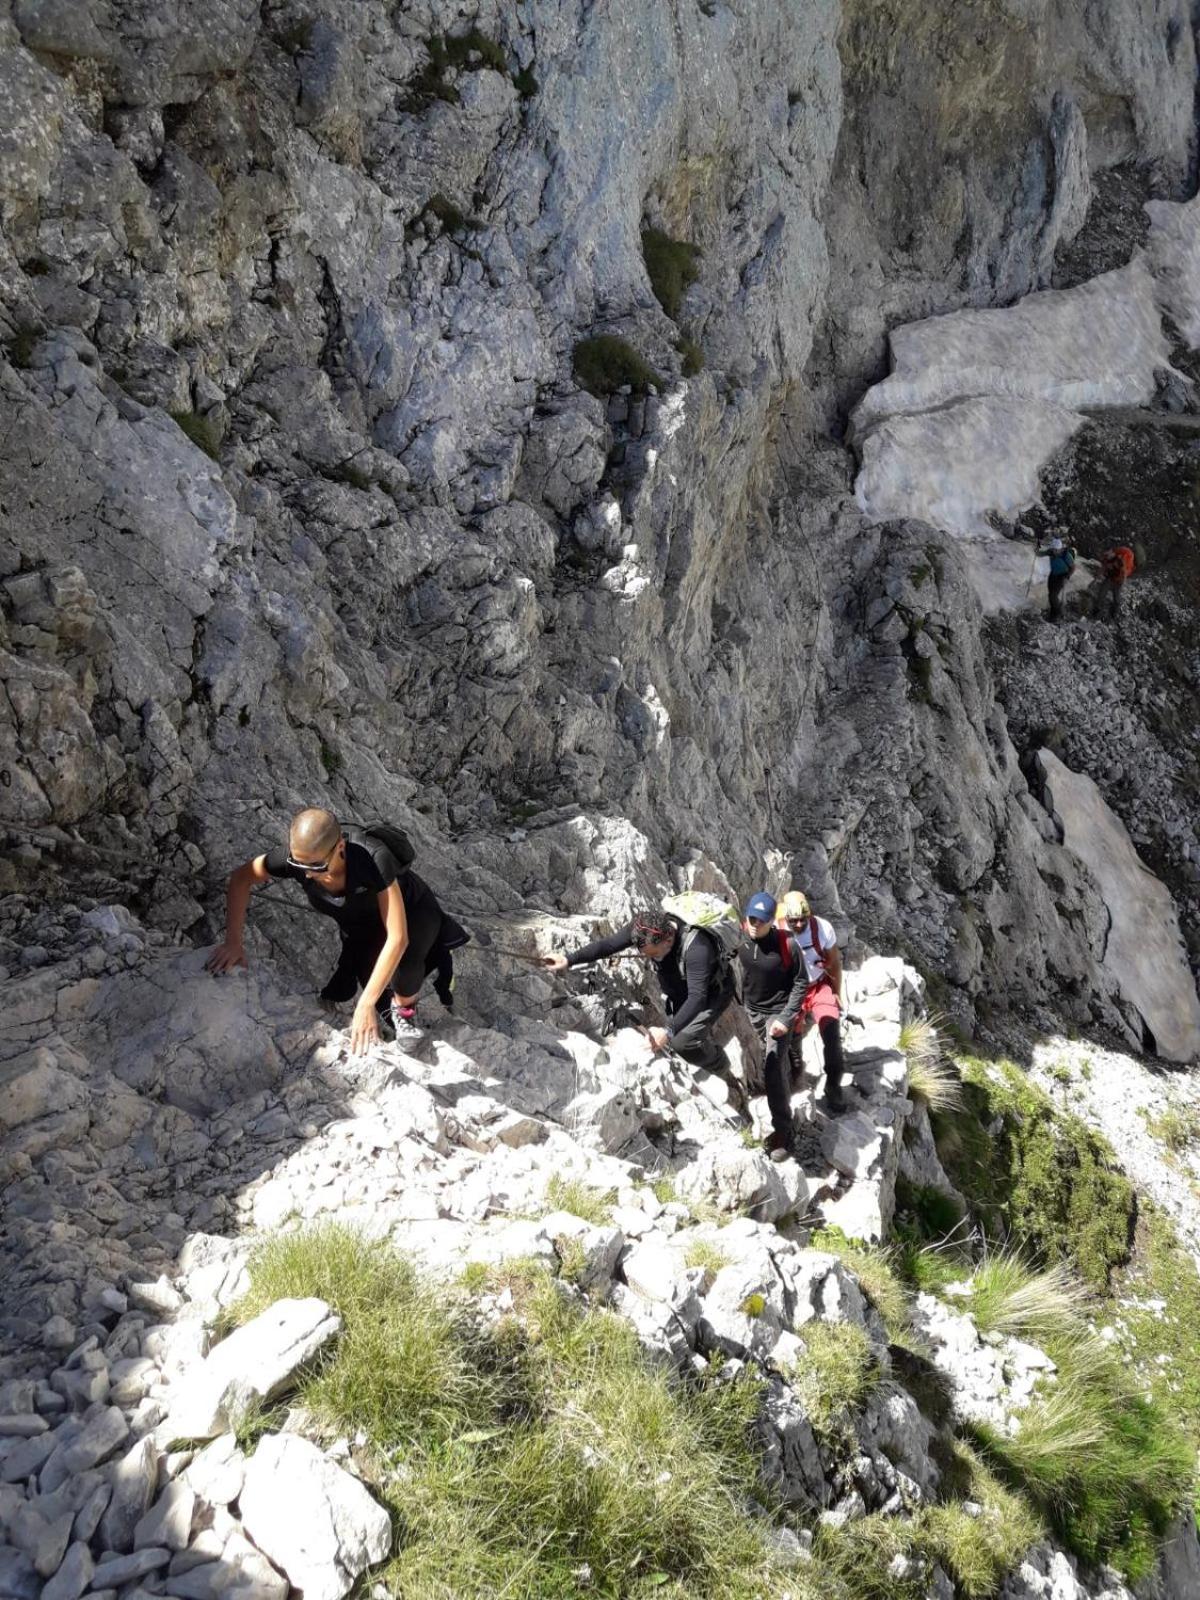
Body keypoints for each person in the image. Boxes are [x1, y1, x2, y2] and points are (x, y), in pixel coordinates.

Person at [206, 808, 466, 1053]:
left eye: (317, 867)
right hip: (363, 924)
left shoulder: (372, 859)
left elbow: (398, 938)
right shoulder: (300, 861)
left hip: (414, 910)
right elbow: (242, 878)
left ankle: (405, 1014)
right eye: (300, 866)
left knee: (404, 968)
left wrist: (363, 1004)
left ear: (340, 847)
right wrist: (233, 942)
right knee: (371, 980)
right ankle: (389, 1019)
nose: (307, 875)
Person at [542, 908, 736, 1073]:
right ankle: (696, 1049)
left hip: (712, 992)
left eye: (652, 954)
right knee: (679, 1030)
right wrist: (569, 959)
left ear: (668, 939)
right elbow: (608, 945)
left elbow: (697, 998)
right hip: (681, 990)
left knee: (682, 1042)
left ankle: (720, 1067)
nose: (648, 957)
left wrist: (668, 1031)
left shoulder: (697, 949)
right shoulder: (643, 928)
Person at [738, 891, 810, 1161]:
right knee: (772, 1057)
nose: (756, 924)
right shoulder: (740, 939)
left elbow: (801, 982)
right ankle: (792, 1057)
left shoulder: (787, 944)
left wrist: (786, 1017)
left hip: (778, 1015)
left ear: (772, 921)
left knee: (771, 1066)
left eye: (762, 920)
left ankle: (784, 1131)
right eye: (752, 919)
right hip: (752, 1011)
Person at [776, 890, 847, 1113]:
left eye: (802, 920)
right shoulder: (776, 930)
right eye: (793, 920)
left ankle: (834, 1085)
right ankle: (797, 1068)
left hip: (817, 986)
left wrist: (836, 991)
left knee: (832, 1036)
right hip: (790, 991)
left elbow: (834, 962)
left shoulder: (822, 928)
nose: (798, 924)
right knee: (792, 1037)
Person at [1037, 532, 1075, 621]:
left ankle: (1057, 614)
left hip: (1062, 576)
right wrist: (1037, 547)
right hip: (1053, 575)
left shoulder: (1066, 555)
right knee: (1051, 594)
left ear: (1060, 548)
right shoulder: (1051, 552)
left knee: (1053, 595)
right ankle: (1053, 612)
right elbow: (1039, 554)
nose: (1054, 552)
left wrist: (1067, 577)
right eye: (1053, 550)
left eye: (1056, 550)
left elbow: (1073, 568)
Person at [1092, 544, 1135, 619]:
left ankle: (1114, 614)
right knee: (1101, 594)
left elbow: (1124, 573)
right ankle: (1097, 611)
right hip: (1111, 578)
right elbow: (1103, 568)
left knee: (1116, 598)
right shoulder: (1108, 559)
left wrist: (1122, 583)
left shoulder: (1120, 560)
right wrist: (1096, 578)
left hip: (1118, 581)